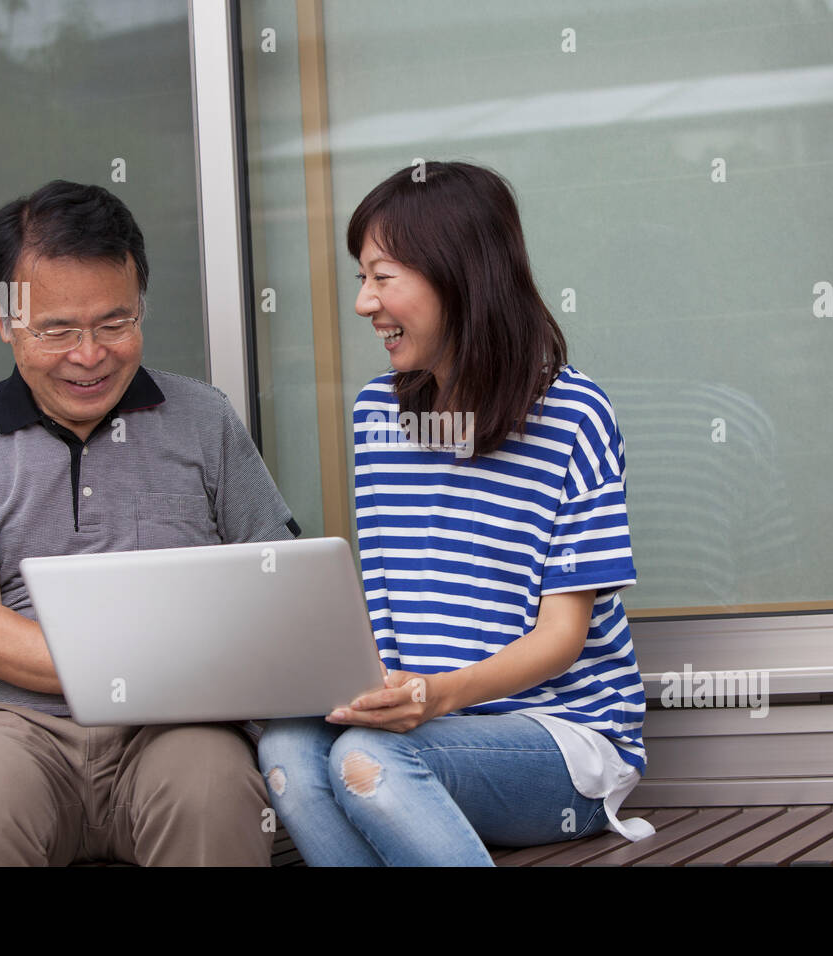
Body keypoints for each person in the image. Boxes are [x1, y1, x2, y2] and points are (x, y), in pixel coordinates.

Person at [257, 161, 653, 865]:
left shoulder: (573, 414)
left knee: (366, 761)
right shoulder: (379, 414)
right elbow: (382, 599)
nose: (363, 303)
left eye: (383, 276)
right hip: (417, 727)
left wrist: (437, 698)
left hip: (560, 740)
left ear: (458, 274)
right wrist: (373, 688)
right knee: (287, 747)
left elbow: (562, 636)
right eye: (361, 278)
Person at [0, 181, 298, 866]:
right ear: (3, 316)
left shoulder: (205, 421)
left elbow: (282, 588)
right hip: (18, 728)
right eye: (57, 330)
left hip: (178, 729)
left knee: (216, 796)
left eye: (115, 324)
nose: (89, 355)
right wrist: (159, 667)